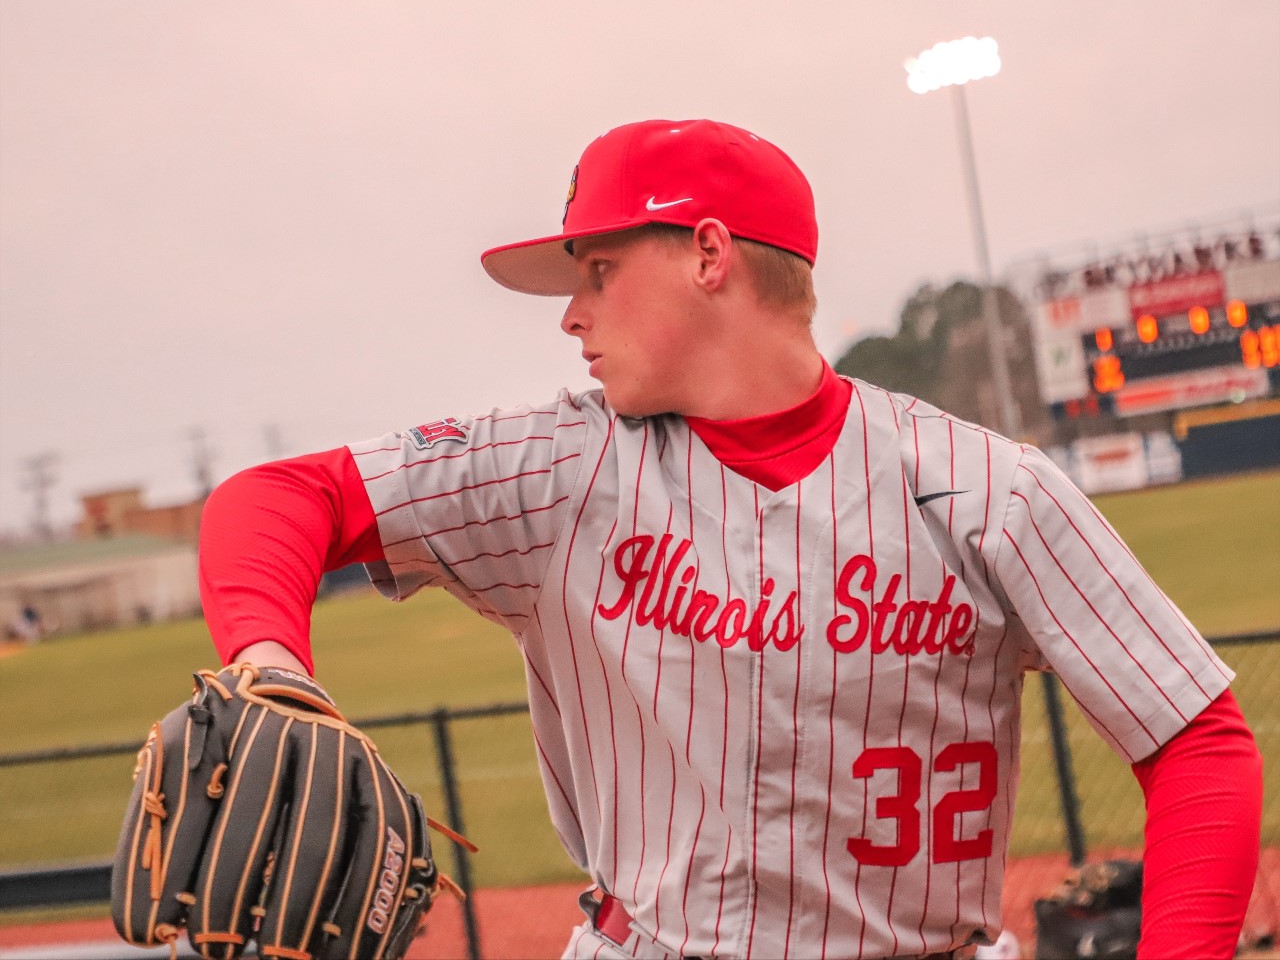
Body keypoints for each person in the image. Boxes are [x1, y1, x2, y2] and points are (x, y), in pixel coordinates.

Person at [200, 119, 1262, 959]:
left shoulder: (986, 489)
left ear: (707, 253)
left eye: (598, 270)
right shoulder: (559, 468)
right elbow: (282, 498)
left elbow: (1193, 742)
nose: (571, 313)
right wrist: (268, 660)